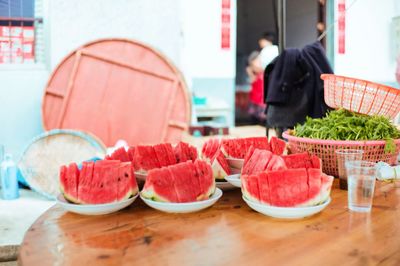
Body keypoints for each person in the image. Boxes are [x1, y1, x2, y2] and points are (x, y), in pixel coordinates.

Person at [246, 51, 266, 124]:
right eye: (257, 60)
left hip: (262, 99)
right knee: (254, 119)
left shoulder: (263, 70)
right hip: (254, 99)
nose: (259, 61)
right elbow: (252, 80)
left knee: (262, 119)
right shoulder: (251, 70)